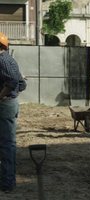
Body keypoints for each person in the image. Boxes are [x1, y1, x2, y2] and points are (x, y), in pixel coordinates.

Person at [0, 32, 26, 192]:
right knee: (5, 143)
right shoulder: (9, 59)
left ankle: (7, 183)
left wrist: (2, 95)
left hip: (5, 105)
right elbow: (22, 84)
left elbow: (13, 81)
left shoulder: (2, 60)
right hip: (9, 103)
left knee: (6, 144)